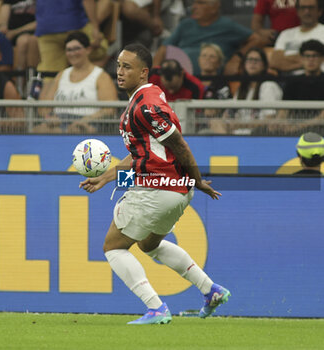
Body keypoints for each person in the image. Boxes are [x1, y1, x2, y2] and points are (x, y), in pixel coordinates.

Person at [79, 43, 231, 324]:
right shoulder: (147, 97)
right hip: (172, 188)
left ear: (143, 72)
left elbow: (179, 145)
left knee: (113, 247)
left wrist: (198, 180)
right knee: (149, 245)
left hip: (160, 188)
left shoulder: (146, 106)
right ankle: (210, 290)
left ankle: (156, 307)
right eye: (119, 65)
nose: (120, 71)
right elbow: (142, 154)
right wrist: (105, 176)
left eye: (127, 66)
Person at [34, 31, 117, 134]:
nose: (72, 53)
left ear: (88, 49)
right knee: (37, 130)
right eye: (69, 50)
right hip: (59, 122)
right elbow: (45, 107)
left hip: (89, 123)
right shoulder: (61, 75)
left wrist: (83, 121)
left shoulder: (101, 76)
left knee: (75, 130)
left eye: (77, 49)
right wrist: (49, 117)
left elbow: (109, 109)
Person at [153, 0, 266, 76]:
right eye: (194, 3)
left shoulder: (227, 25)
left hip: (213, 79)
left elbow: (258, 39)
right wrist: (154, 74)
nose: (194, 7)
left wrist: (237, 57)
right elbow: (164, 49)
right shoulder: (185, 25)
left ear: (214, 8)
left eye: (201, 3)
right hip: (180, 79)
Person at [35, 0, 107, 77]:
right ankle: (84, 81)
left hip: (46, 28)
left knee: (51, 75)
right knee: (101, 49)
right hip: (74, 24)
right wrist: (95, 27)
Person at [225, 47, 283, 135]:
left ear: (264, 65)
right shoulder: (242, 88)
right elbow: (232, 113)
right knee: (215, 122)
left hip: (257, 134)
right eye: (249, 60)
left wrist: (242, 125)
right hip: (237, 132)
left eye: (256, 60)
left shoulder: (268, 86)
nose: (252, 63)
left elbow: (269, 119)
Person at [280, 40, 324, 134]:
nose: (311, 59)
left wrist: (299, 126)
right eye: (307, 56)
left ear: (322, 58)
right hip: (293, 127)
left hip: (320, 129)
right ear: (301, 58)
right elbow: (283, 110)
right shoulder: (292, 82)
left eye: (315, 56)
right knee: (258, 131)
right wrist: (280, 123)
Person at [270, 0, 324, 74]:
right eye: (303, 8)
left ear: (319, 11)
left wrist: (288, 59)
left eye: (311, 8)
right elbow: (275, 62)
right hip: (289, 81)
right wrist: (307, 64)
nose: (307, 11)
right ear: (297, 11)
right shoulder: (286, 34)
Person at [0, 0, 40, 71]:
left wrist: (14, 32)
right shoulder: (10, 1)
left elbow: (40, 22)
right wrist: (3, 26)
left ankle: (25, 78)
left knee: (24, 41)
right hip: (11, 34)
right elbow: (2, 19)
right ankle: (21, 79)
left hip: (33, 32)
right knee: (22, 40)